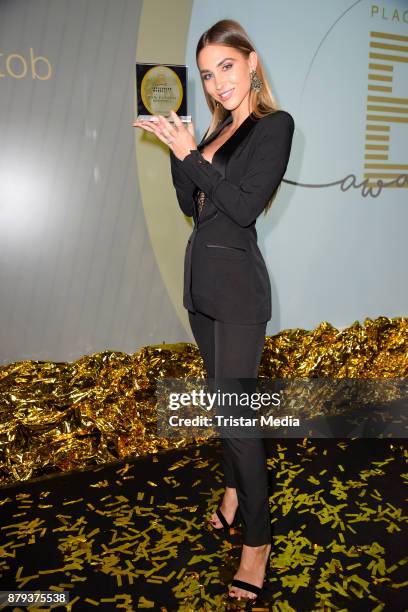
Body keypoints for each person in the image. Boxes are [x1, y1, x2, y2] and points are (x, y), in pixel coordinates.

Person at [134, 18, 294, 604]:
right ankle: (233, 494)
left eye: (227, 66)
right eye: (207, 73)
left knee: (236, 420)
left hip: (239, 297)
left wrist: (190, 155)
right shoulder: (215, 130)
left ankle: (258, 544)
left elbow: (245, 207)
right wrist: (180, 150)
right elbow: (192, 205)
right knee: (225, 408)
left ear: (251, 64)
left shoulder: (274, 127)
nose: (217, 81)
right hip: (201, 290)